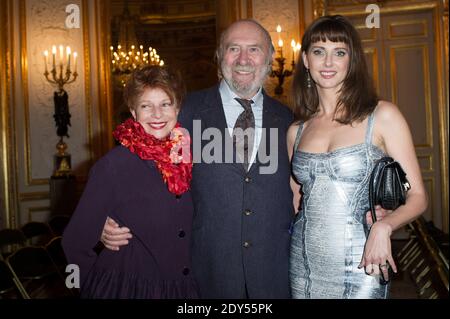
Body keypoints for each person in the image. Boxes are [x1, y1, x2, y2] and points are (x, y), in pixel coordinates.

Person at [102, 19, 295, 299]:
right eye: (233, 49)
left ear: (270, 58)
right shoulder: (183, 113)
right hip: (203, 278)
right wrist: (106, 215)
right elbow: (135, 165)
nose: (243, 59)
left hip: (275, 278)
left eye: (254, 49)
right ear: (219, 56)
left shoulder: (290, 120)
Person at [287, 15, 428, 299]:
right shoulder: (296, 131)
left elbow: (418, 197)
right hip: (304, 263)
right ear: (305, 60)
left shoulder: (382, 116)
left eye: (339, 53)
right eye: (318, 52)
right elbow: (297, 201)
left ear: (351, 61)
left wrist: (383, 226)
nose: (328, 63)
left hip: (363, 260)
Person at [61, 65, 198, 299]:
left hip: (185, 288)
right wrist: (94, 287)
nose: (157, 114)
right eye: (146, 106)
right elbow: (75, 241)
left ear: (178, 108)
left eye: (165, 104)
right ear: (134, 112)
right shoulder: (112, 166)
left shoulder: (191, 155)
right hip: (132, 289)